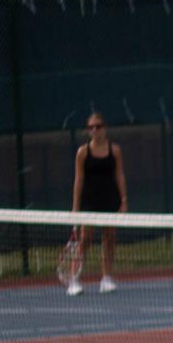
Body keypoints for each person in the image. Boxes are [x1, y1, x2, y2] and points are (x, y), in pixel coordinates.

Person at [68, 111, 127, 294]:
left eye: (98, 126)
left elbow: (119, 175)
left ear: (105, 128)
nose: (95, 130)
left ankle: (106, 278)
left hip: (109, 200)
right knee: (85, 240)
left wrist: (123, 201)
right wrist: (75, 208)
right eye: (91, 127)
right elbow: (79, 180)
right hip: (89, 202)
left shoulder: (115, 150)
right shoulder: (83, 152)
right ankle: (74, 280)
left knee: (109, 239)